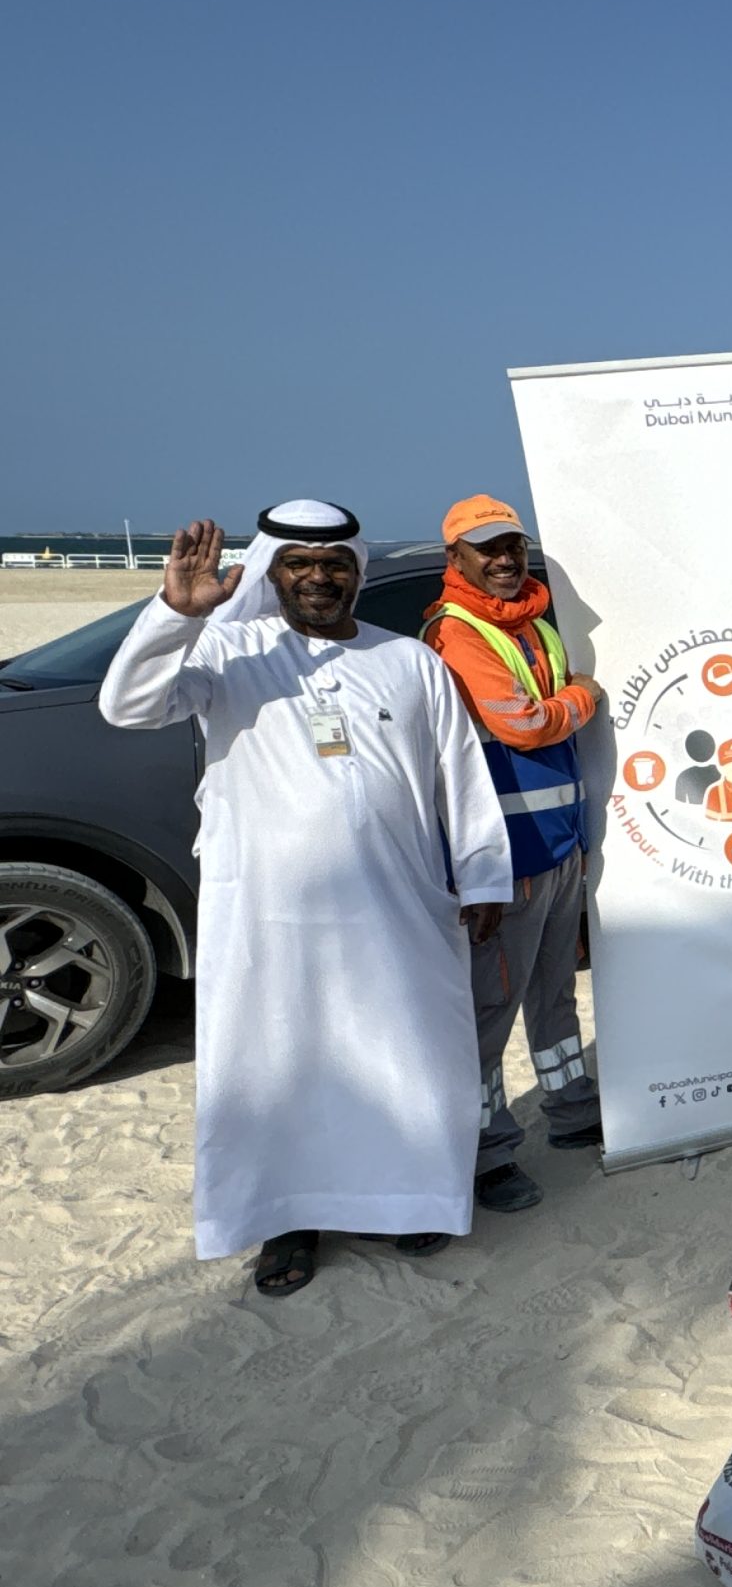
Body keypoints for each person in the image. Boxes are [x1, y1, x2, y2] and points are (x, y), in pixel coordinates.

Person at [98, 504, 510, 1296]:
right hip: (269, 917)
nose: (319, 576)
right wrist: (173, 616)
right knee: (281, 1063)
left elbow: (459, 770)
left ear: (358, 571)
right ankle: (287, 1221)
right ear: (271, 572)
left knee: (404, 1057)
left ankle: (403, 1196)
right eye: (298, 562)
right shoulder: (227, 648)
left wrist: (484, 872)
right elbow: (128, 708)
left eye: (335, 562)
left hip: (399, 908)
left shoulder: (409, 662)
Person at [420, 493, 606, 1218]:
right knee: (489, 1009)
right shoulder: (458, 631)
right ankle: (485, 1150)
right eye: (487, 550)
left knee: (555, 992)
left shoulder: (531, 621)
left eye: (512, 547)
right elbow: (525, 725)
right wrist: (583, 697)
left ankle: (569, 1109)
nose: (503, 560)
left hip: (558, 843)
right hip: (504, 858)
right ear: (456, 559)